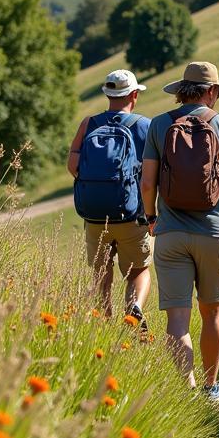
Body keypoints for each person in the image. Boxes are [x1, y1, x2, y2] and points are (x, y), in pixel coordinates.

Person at [141, 61, 219, 401]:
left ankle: (185, 392)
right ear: (212, 92)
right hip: (213, 234)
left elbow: (147, 182)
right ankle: (209, 386)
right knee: (212, 311)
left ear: (182, 90)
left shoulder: (160, 125)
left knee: (177, 318)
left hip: (170, 234)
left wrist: (151, 217)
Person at [68, 69, 152, 323]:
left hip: (94, 216)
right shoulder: (144, 126)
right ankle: (134, 308)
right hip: (131, 215)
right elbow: (152, 175)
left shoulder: (88, 124)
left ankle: (103, 326)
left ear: (107, 94)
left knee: (101, 275)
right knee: (139, 270)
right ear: (134, 95)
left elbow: (73, 166)